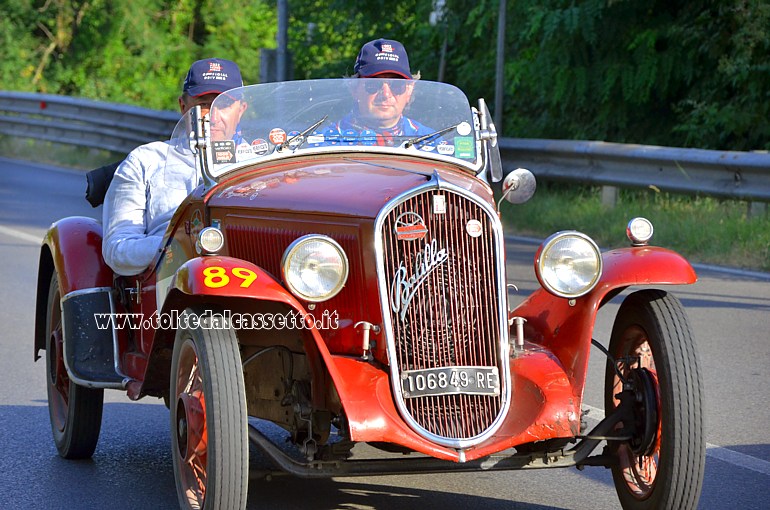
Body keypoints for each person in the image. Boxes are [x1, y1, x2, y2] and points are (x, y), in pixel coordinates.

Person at [102, 58, 246, 276]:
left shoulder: (266, 163)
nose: (214, 117)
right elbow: (118, 249)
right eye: (204, 105)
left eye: (223, 104)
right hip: (166, 286)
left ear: (241, 110)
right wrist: (178, 244)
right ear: (183, 107)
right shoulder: (145, 161)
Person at [334, 38, 433, 146]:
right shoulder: (325, 141)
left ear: (409, 90)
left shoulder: (432, 141)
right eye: (373, 84)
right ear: (354, 89)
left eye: (397, 85)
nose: (386, 94)